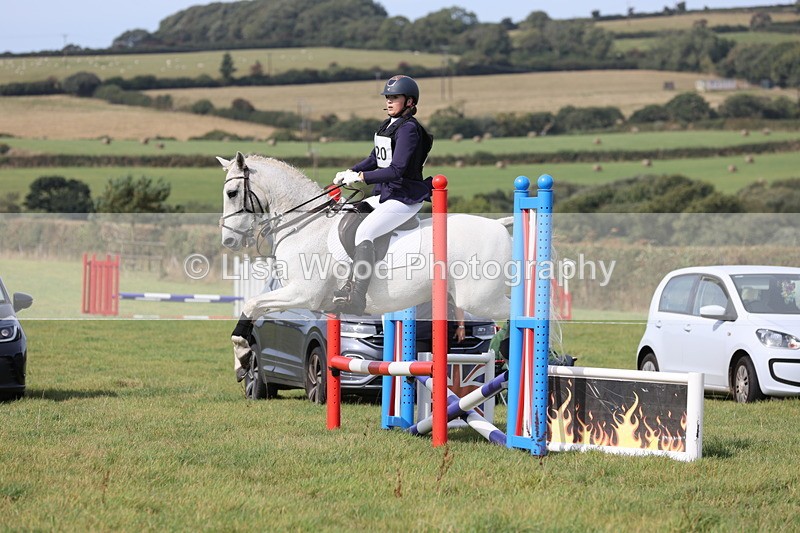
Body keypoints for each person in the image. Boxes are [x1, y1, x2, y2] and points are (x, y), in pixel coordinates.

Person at [331, 74, 434, 315]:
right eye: (387, 98)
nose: (389, 102)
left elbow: (396, 169)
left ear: (409, 102)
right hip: (386, 195)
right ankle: (349, 281)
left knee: (366, 231)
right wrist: (350, 171)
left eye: (394, 98)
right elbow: (374, 159)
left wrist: (362, 178)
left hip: (404, 198)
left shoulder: (409, 129)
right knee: (348, 215)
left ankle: (357, 297)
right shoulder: (388, 125)